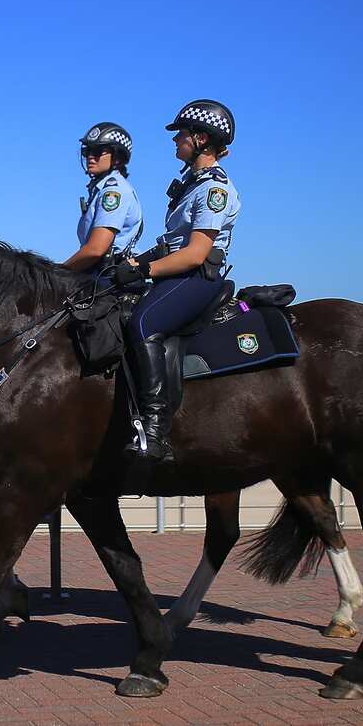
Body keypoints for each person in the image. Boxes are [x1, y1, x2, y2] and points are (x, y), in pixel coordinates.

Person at [112, 100, 240, 486]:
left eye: (181, 135)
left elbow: (196, 253)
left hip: (198, 277)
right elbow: (173, 243)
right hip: (176, 271)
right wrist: (136, 262)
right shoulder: (192, 185)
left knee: (144, 322)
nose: (176, 142)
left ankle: (154, 430)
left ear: (201, 139)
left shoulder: (215, 190)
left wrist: (146, 270)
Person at [63, 122, 143, 274]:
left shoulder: (114, 191)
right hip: (96, 275)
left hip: (109, 278)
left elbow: (96, 249)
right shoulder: (100, 190)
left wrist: (57, 272)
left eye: (98, 151)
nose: (90, 157)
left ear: (118, 158)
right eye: (87, 151)